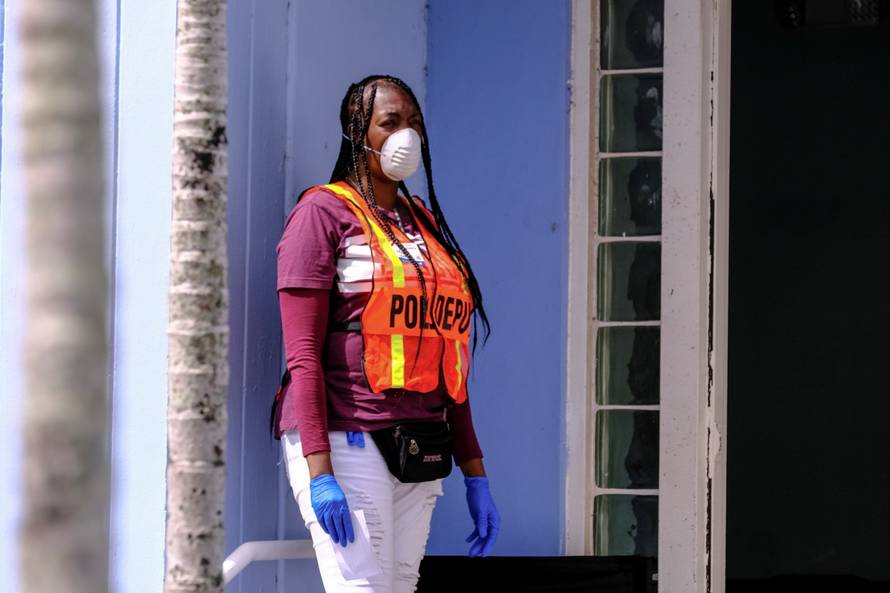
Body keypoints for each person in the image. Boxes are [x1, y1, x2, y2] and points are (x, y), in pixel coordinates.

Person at [273, 74, 500, 593]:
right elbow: (302, 354)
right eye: (391, 123)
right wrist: (320, 473)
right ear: (358, 132)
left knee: (400, 586)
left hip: (419, 442)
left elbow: (449, 355)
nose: (407, 136)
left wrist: (474, 469)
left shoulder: (424, 224)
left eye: (414, 123)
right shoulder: (322, 214)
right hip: (346, 435)